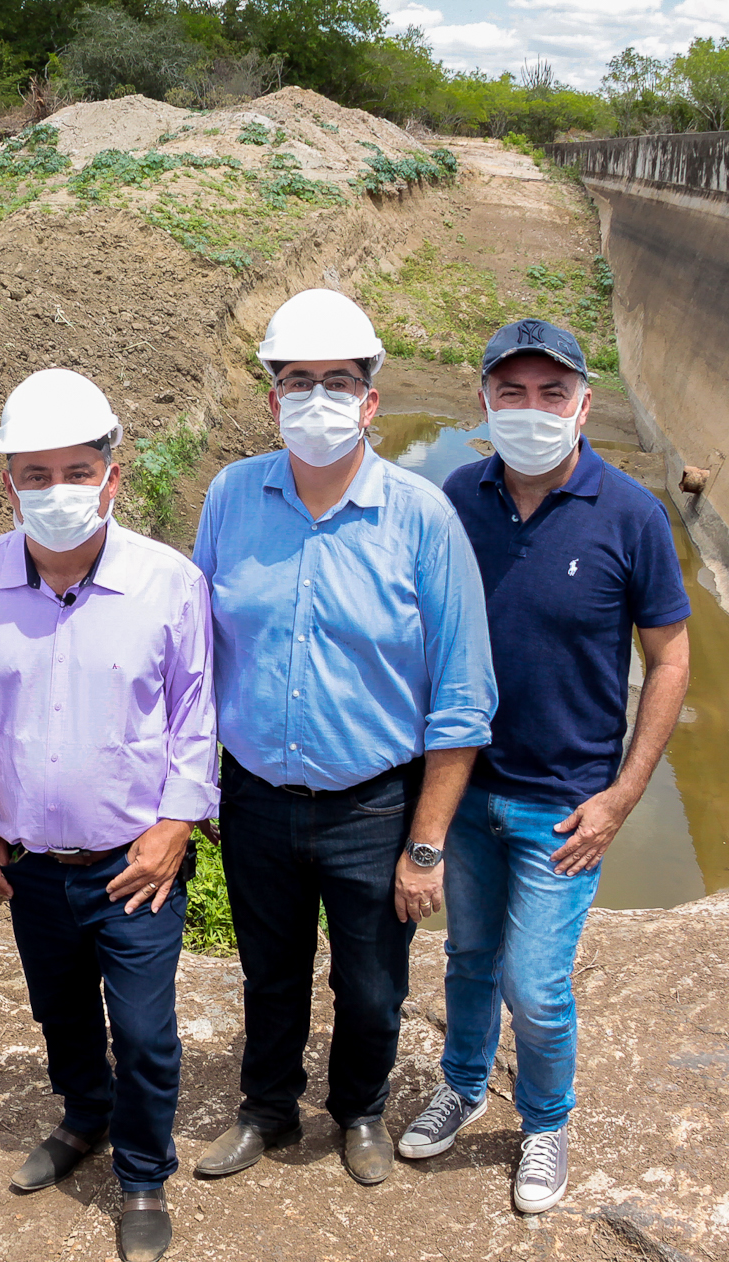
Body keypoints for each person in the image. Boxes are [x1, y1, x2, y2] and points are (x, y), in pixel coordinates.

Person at [189, 289, 497, 1187]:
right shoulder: (233, 497)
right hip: (256, 794)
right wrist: (198, 784)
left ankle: (360, 1109)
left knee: (371, 984)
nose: (316, 398)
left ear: (370, 400)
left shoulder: (421, 517)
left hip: (373, 805)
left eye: (337, 381)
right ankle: (267, 1107)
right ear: (272, 398)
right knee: (269, 971)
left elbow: (462, 696)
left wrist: (426, 844)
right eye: (298, 380)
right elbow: (195, 653)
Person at [397, 319, 692, 1215]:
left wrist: (624, 795)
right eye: (512, 392)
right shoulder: (458, 497)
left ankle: (546, 1120)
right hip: (468, 789)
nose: (531, 409)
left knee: (535, 983)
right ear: (484, 401)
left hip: (565, 808)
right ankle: (462, 1085)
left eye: (551, 393)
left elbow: (671, 660)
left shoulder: (631, 515)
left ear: (584, 405)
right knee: (469, 957)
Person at [0, 369, 217, 1262]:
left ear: (112, 474)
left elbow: (194, 715)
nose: (56, 490)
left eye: (76, 470)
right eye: (35, 473)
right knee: (58, 1010)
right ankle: (83, 1116)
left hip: (134, 864)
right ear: (8, 483)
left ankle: (142, 1175)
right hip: (30, 863)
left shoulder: (168, 582)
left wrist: (176, 824)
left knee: (143, 1030)